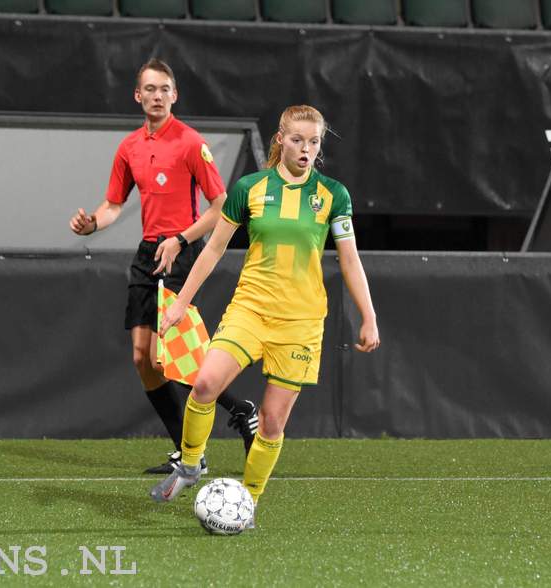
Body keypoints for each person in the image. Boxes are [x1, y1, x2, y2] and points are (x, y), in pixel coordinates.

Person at [149, 105, 380, 523]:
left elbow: (349, 258)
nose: (306, 149)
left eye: (314, 142)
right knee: (204, 383)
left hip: (301, 322)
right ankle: (190, 463)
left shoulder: (333, 195)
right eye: (297, 140)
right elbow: (216, 247)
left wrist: (369, 315)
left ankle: (248, 501)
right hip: (250, 309)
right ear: (279, 139)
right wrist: (182, 301)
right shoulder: (250, 188)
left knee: (272, 423)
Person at [69, 59, 258, 474]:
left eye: (164, 89)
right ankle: (189, 453)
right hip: (148, 253)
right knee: (142, 358)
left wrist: (181, 239)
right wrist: (92, 225)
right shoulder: (130, 147)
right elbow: (114, 205)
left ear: (175, 95)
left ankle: (240, 409)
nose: (157, 96)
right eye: (149, 89)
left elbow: (221, 207)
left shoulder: (191, 143)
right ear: (137, 96)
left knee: (170, 356)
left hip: (181, 250)